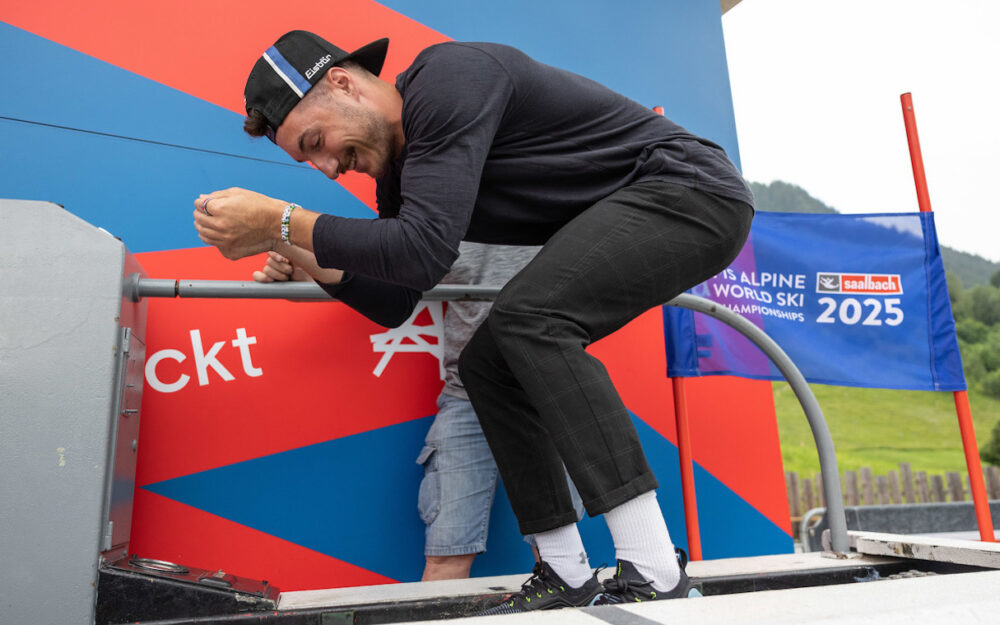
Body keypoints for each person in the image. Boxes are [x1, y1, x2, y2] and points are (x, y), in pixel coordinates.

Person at [195, 31, 753, 611]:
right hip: (651, 203)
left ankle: (658, 569)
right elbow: (396, 299)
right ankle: (564, 570)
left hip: (689, 191)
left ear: (343, 82)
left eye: (317, 142)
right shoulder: (400, 171)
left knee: (529, 320)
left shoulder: (450, 77)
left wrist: (281, 220)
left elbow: (423, 249)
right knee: (487, 362)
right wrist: (293, 246)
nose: (328, 168)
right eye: (308, 160)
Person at [253, 241, 583, 582]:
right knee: (446, 556)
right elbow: (373, 285)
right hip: (469, 397)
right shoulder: (444, 219)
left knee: (558, 555)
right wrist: (304, 276)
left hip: (547, 394)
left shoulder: (561, 205)